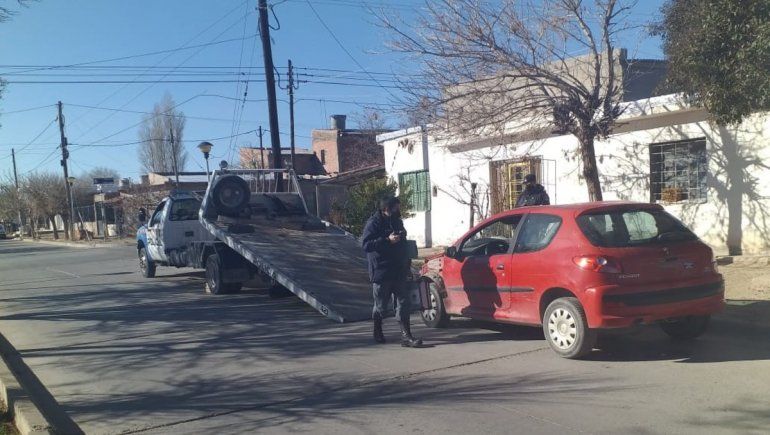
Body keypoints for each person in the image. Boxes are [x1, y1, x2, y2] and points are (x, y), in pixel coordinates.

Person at [362, 197, 423, 348]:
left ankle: (406, 336)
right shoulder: (373, 223)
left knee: (403, 302)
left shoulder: (397, 221)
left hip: (399, 268)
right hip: (381, 270)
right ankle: (378, 330)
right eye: (396, 208)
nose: (398, 210)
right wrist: (387, 240)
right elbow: (366, 245)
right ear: (387, 209)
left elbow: (403, 242)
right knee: (381, 305)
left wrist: (407, 264)